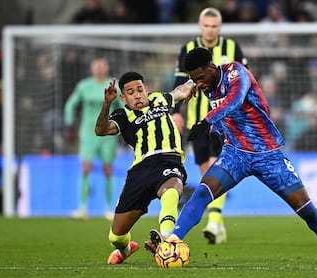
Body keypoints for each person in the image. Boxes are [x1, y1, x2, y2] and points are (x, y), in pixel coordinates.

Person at [159, 47, 317, 265]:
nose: (199, 83)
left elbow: (235, 100)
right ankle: (172, 241)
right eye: (194, 80)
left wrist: (207, 121)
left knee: (306, 209)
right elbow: (225, 113)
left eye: (200, 77)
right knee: (202, 193)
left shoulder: (237, 73)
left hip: (268, 155)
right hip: (235, 154)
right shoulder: (207, 85)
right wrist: (216, 131)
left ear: (211, 67)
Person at [95, 72, 196, 264]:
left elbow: (181, 91)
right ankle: (125, 250)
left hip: (169, 159)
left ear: (146, 90)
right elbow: (100, 130)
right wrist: (107, 103)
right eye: (131, 92)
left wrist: (197, 80)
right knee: (115, 237)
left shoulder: (160, 99)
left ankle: (166, 240)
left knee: (172, 190)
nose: (138, 95)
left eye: (140, 90)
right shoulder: (122, 115)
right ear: (123, 98)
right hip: (141, 170)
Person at [172, 7, 247, 245]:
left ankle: (213, 221)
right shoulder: (188, 49)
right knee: (207, 171)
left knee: (216, 166)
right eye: (206, 25)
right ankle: (219, 221)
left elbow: (244, 81)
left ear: (220, 27)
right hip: (199, 121)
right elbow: (179, 81)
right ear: (200, 26)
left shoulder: (233, 48)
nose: (210, 30)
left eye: (214, 26)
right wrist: (176, 111)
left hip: (226, 120)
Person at [64, 56, 122, 220]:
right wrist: (69, 125)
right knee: (86, 167)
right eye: (95, 66)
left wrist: (127, 126)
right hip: (88, 133)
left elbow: (124, 108)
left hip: (108, 134)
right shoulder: (84, 86)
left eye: (101, 66)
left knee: (108, 169)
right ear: (91, 68)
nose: (98, 68)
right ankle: (82, 208)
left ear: (107, 67)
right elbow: (70, 105)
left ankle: (109, 209)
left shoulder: (114, 86)